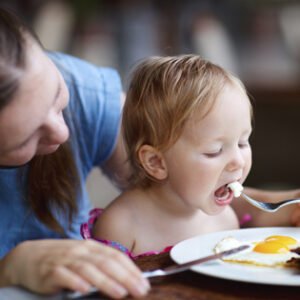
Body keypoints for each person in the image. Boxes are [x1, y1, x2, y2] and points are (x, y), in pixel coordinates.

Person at [82, 55, 300, 258]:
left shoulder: (224, 219)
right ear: (156, 162)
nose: (238, 162)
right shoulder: (121, 226)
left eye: (243, 143)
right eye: (214, 151)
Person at [0, 7, 150, 299]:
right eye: (23, 140)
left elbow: (184, 191)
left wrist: (262, 210)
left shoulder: (82, 90)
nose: (62, 133)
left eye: (56, 94)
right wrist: (9, 269)